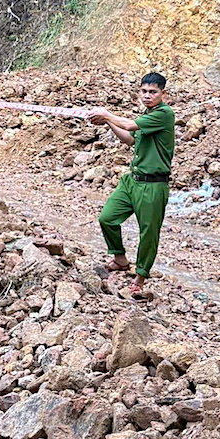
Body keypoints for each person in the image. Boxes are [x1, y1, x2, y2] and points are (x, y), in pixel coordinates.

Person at [87, 71, 175, 299]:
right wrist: (108, 121)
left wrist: (107, 114)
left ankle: (139, 279)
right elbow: (128, 139)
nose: (147, 95)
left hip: (153, 185)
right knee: (107, 217)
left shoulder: (164, 114)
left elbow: (128, 124)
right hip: (132, 181)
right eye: (144, 91)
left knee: (148, 234)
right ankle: (120, 259)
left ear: (163, 94)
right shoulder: (148, 114)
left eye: (153, 92)